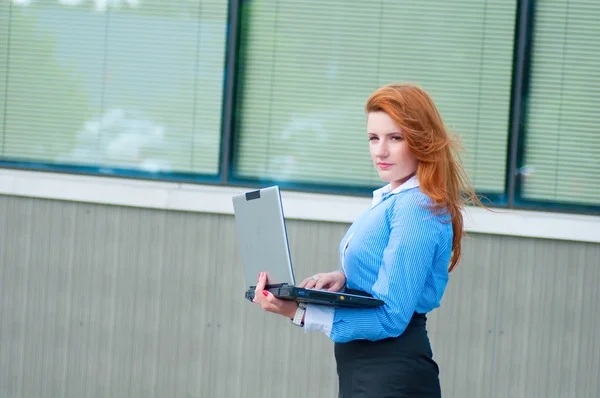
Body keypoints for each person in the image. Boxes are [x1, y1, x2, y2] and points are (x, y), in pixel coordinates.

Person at [252, 82, 481, 397]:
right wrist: (344, 277)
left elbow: (390, 317)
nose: (380, 151)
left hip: (390, 373)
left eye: (395, 138)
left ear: (421, 140)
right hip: (369, 369)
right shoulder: (395, 198)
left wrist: (299, 311)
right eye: (374, 138)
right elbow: (386, 271)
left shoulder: (417, 207)